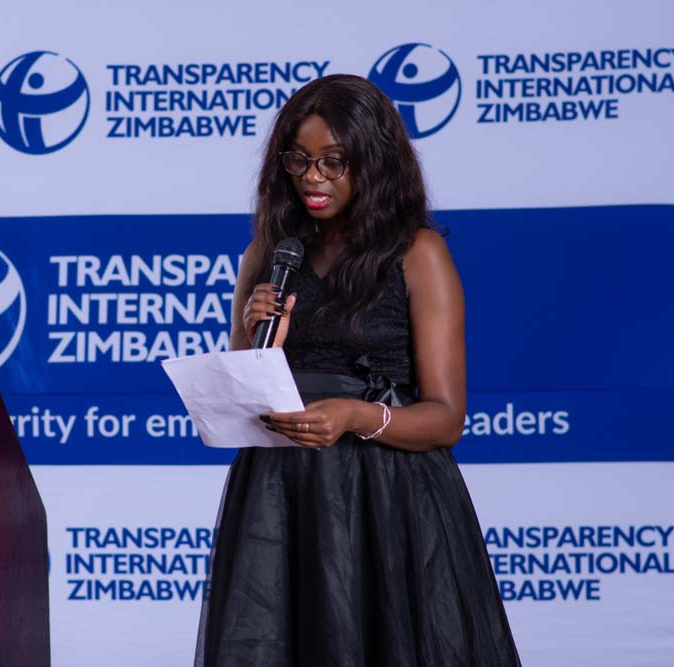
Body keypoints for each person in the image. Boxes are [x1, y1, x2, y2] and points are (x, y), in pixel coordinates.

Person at [195, 75, 521, 667]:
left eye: (333, 161)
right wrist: (256, 336)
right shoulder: (267, 256)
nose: (312, 178)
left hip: (387, 497)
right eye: (299, 160)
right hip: (281, 496)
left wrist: (355, 416)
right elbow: (239, 409)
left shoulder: (418, 254)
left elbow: (447, 419)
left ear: (374, 161)